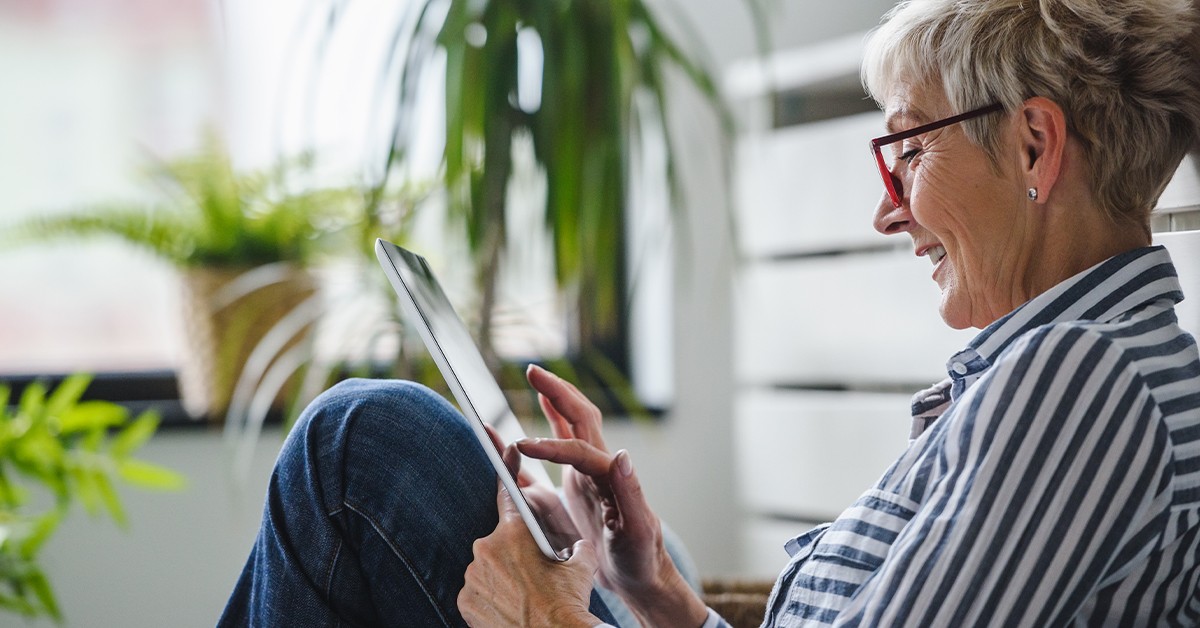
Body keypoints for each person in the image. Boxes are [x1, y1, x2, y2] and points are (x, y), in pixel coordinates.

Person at [220, 0, 1200, 625]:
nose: (885, 204)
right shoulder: (1067, 366)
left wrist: (548, 617)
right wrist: (656, 590)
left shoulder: (1084, 378)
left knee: (354, 446)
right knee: (363, 441)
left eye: (908, 147)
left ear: (1034, 147)